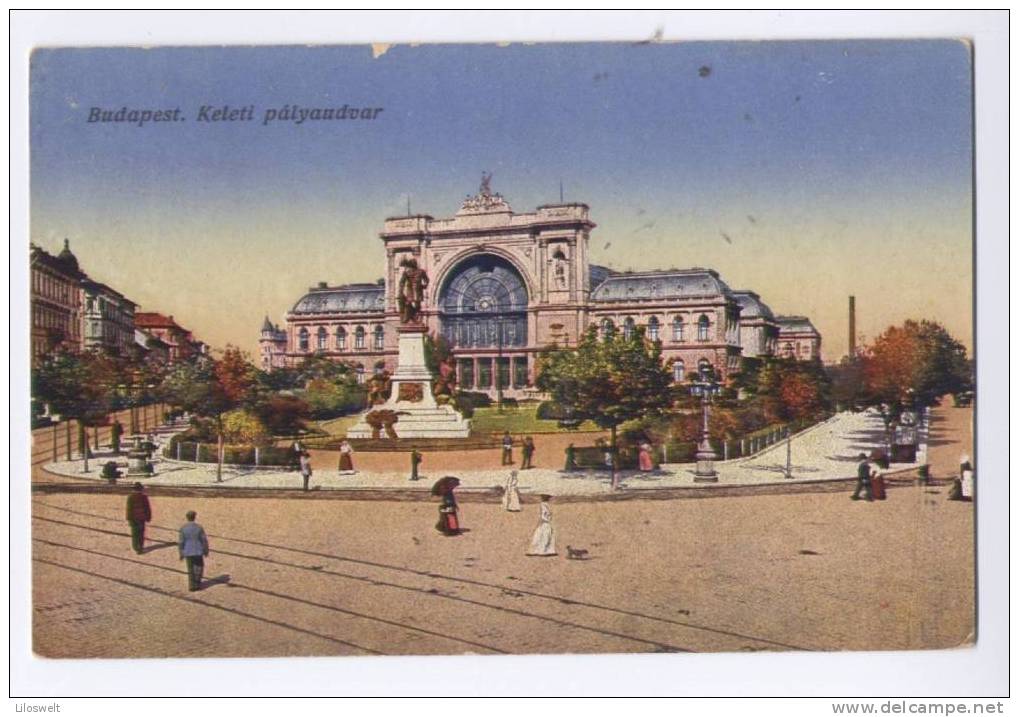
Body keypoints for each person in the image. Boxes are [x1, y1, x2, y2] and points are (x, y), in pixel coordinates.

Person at [178, 510, 209, 591]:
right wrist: (206, 550)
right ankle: (197, 583)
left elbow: (181, 542)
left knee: (190, 569)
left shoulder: (183, 528)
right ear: (194, 517)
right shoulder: (199, 527)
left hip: (188, 551)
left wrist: (181, 553)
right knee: (199, 567)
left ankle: (192, 585)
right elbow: (204, 540)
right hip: (198, 550)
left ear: (187, 517)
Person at [125, 482, 151, 554]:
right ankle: (140, 547)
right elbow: (147, 508)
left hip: (133, 518)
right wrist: (148, 517)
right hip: (141, 518)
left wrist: (129, 518)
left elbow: (129, 509)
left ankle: (136, 547)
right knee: (141, 533)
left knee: (134, 533)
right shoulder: (144, 497)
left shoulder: (130, 497)